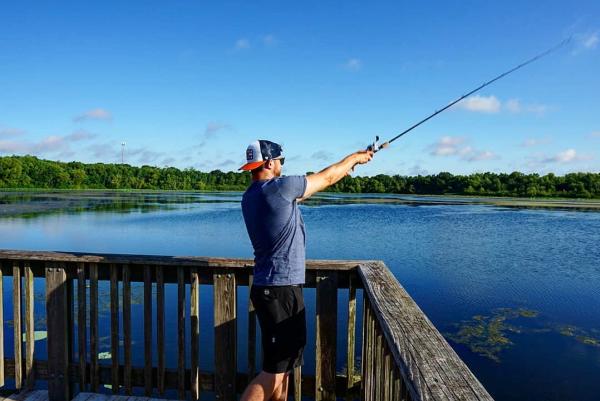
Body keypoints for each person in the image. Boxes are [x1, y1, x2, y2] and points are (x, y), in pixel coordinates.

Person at [239, 139, 373, 401]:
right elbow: (328, 177)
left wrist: (347, 166)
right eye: (281, 161)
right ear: (269, 162)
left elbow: (329, 176)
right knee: (273, 372)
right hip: (281, 291)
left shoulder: (250, 196)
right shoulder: (280, 189)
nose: (281, 166)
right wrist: (355, 158)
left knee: (284, 366)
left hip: (271, 288)